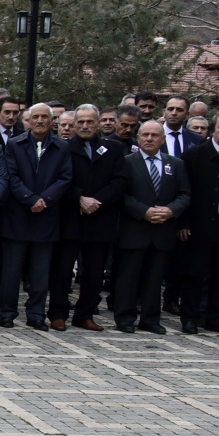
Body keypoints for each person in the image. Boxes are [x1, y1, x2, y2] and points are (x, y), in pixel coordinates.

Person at [0, 103, 71, 330]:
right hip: (18, 214)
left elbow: (65, 178)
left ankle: (36, 314)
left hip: (46, 216)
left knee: (40, 271)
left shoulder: (62, 147)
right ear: (27, 121)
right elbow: (11, 176)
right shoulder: (14, 145)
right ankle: (7, 312)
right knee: (11, 270)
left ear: (51, 120)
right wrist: (30, 199)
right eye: (35, 117)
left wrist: (44, 200)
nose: (39, 121)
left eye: (44, 117)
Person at [50, 104, 126, 331]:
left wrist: (97, 202)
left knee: (94, 272)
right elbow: (59, 179)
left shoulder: (113, 149)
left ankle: (84, 314)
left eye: (89, 121)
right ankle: (58, 312)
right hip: (71, 218)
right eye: (80, 122)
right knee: (63, 271)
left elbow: (120, 181)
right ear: (73, 124)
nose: (85, 126)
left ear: (98, 123)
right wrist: (80, 199)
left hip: (100, 219)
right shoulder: (62, 148)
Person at [113, 121, 190, 334]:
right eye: (145, 135)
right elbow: (121, 194)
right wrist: (144, 211)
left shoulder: (176, 164)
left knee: (155, 279)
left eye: (154, 135)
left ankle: (150, 319)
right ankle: (125, 317)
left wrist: (170, 211)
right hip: (134, 228)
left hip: (162, 230)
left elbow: (185, 194)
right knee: (128, 277)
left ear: (162, 139)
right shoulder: (126, 162)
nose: (149, 139)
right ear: (138, 138)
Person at [180, 112, 219, 333]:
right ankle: (190, 318)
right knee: (195, 274)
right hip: (199, 225)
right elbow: (183, 191)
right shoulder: (194, 155)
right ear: (212, 129)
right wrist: (183, 222)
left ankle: (216, 318)